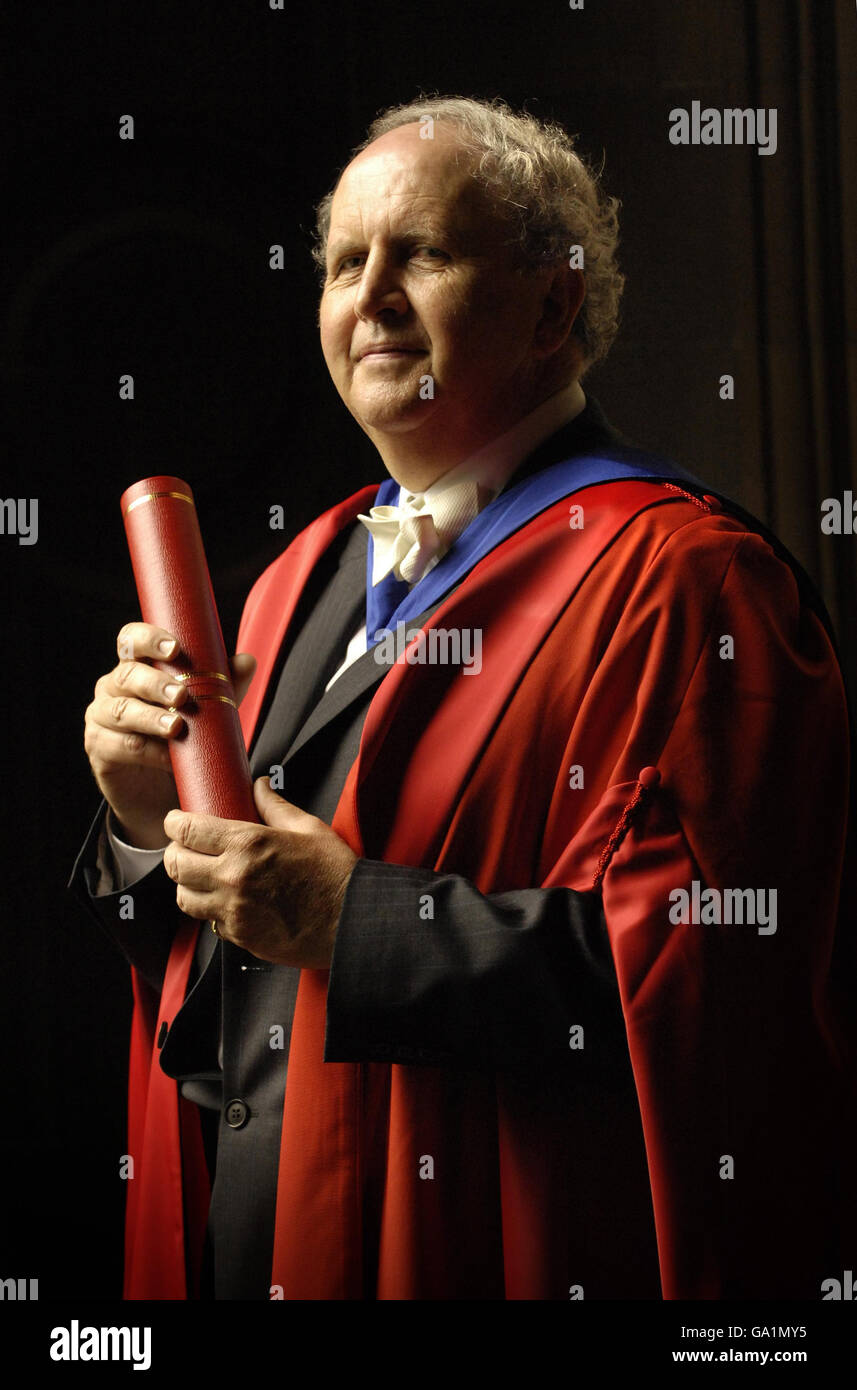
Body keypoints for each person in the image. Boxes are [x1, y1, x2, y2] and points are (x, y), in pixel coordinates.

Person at [72, 95, 855, 1301]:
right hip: (254, 1240)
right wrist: (142, 827)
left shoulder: (685, 580)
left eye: (420, 254)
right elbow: (222, 954)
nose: (369, 294)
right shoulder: (299, 576)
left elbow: (717, 989)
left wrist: (359, 926)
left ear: (554, 302)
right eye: (343, 262)